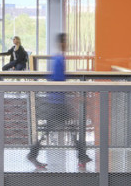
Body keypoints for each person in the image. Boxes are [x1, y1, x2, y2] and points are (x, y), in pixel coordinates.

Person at [26, 33, 90, 169]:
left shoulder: (57, 59)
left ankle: (33, 154)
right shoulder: (59, 59)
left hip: (56, 101)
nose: (67, 44)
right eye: (65, 41)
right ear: (61, 43)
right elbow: (59, 82)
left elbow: (55, 79)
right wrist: (76, 95)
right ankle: (82, 157)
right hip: (58, 103)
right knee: (68, 130)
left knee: (59, 131)